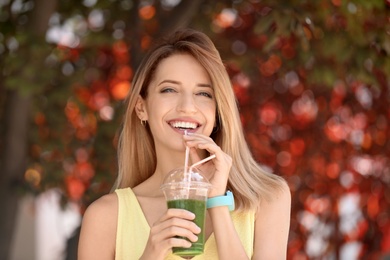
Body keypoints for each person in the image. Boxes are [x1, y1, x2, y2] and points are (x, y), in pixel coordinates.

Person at [78, 28, 291, 260]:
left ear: (218, 110)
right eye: (169, 89)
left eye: (204, 94)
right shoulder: (106, 217)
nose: (188, 106)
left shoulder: (267, 198)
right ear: (141, 107)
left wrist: (217, 203)